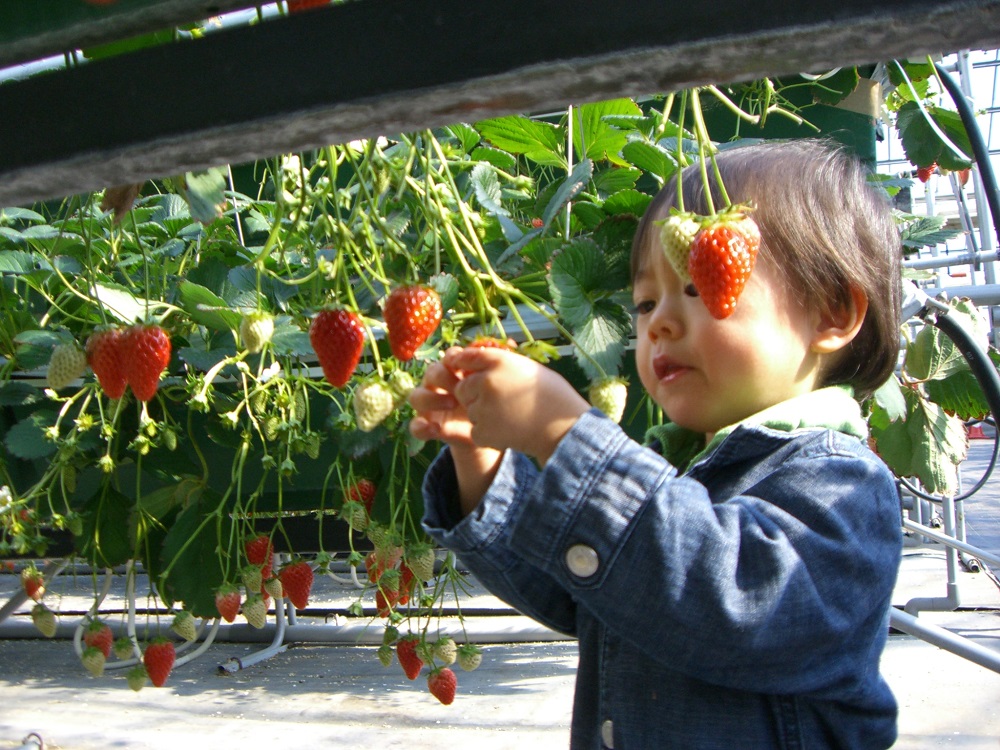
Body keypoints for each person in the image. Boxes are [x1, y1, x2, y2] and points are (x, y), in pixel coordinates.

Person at [409, 138, 904, 749]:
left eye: (699, 288)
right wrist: (482, 463)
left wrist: (564, 434)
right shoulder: (674, 471)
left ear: (831, 313)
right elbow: (580, 590)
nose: (659, 323)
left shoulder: (840, 481)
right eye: (645, 302)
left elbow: (735, 603)